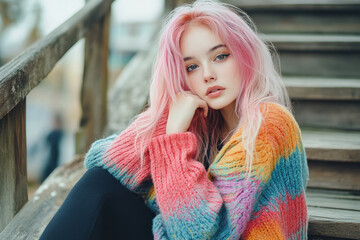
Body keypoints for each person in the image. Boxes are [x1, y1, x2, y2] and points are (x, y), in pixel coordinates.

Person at [40, 0, 309, 239]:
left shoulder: (269, 123)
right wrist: (168, 116)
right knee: (99, 184)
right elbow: (105, 163)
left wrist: (172, 140)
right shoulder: (204, 123)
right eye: (191, 66)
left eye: (220, 56)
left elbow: (200, 234)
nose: (207, 74)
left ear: (244, 54)